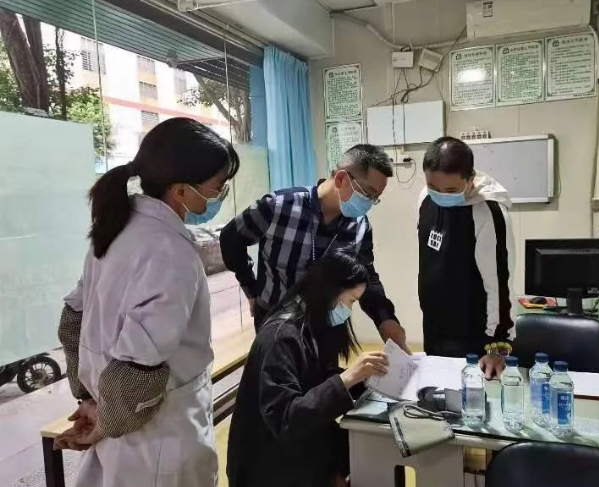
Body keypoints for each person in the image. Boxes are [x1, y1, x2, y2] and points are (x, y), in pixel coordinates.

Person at [54, 117, 240, 487]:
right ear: (182, 190)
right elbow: (139, 368)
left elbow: (73, 319)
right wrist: (107, 419)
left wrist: (92, 400)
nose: (221, 195)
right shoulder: (171, 252)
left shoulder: (117, 228)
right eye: (218, 186)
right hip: (158, 440)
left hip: (124, 424)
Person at [220, 144, 409, 352]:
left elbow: (366, 277)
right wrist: (250, 288)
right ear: (341, 179)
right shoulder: (279, 207)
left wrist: (385, 319)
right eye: (368, 194)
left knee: (330, 374)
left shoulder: (360, 226)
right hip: (276, 323)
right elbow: (231, 239)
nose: (369, 203)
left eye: (375, 198)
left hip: (327, 326)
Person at [227, 250, 389, 487]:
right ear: (330, 290)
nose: (348, 311)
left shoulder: (308, 326)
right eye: (351, 301)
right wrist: (346, 379)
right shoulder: (281, 337)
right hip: (268, 469)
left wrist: (361, 381)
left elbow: (315, 381)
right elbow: (286, 418)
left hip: (293, 455)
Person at [418, 136, 516, 378]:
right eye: (433, 186)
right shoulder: (425, 198)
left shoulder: (488, 212)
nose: (441, 194)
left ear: (470, 178)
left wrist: (497, 346)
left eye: (451, 190)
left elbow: (499, 283)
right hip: (434, 325)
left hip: (474, 334)